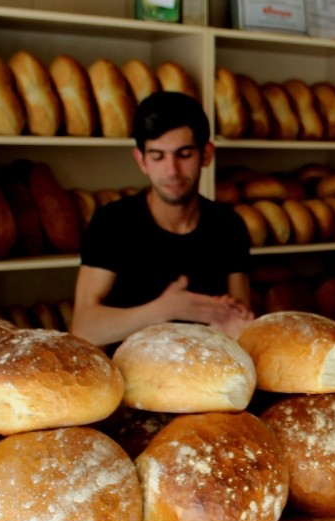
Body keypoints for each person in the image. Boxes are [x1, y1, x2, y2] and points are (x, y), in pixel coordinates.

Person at [72, 91, 254, 350]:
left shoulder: (228, 225)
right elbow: (83, 327)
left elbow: (239, 315)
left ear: (206, 155)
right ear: (141, 160)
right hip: (128, 381)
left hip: (205, 373)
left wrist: (234, 328)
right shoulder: (112, 223)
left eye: (184, 154)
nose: (172, 171)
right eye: (158, 156)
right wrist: (163, 310)